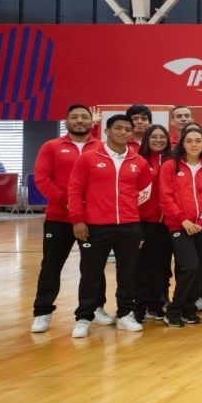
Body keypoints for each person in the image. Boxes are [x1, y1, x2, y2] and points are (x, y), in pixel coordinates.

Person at [66, 114, 153, 338]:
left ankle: (125, 314)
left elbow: (145, 191)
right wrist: (78, 219)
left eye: (127, 129)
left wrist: (129, 208)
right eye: (118, 128)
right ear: (107, 131)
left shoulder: (139, 162)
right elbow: (75, 189)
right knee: (91, 274)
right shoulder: (88, 158)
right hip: (95, 226)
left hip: (129, 226)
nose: (124, 132)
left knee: (128, 274)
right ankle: (84, 317)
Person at [30, 105, 105, 332]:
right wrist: (69, 202)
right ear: (66, 121)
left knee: (93, 268)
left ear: (91, 122)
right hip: (59, 218)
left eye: (84, 117)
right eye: (74, 117)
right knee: (51, 266)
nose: (79, 120)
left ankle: (96, 308)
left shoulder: (101, 147)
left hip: (92, 219)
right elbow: (42, 179)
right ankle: (42, 312)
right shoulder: (51, 146)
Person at [158, 127, 202, 327]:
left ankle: (189, 308)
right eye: (190, 141)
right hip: (179, 226)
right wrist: (182, 220)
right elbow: (165, 196)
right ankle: (174, 310)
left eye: (198, 140)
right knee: (190, 265)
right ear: (182, 143)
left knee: (198, 268)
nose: (194, 144)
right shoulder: (170, 166)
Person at [134, 125, 173, 323]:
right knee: (141, 266)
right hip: (142, 222)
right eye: (154, 137)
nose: (158, 140)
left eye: (162, 137)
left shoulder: (174, 161)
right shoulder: (138, 161)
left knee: (162, 266)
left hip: (167, 223)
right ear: (147, 139)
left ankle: (156, 306)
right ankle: (138, 307)